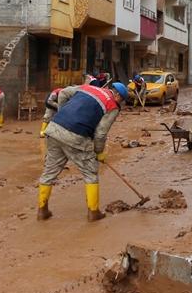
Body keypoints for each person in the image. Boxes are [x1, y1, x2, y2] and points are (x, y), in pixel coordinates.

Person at [37, 81, 128, 221]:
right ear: (117, 96)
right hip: (76, 136)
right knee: (90, 173)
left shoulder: (87, 87)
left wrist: (62, 113)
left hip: (54, 129)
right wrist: (99, 152)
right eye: (122, 100)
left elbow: (62, 93)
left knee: (50, 171)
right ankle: (94, 212)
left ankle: (42, 211)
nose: (121, 103)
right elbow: (100, 133)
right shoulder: (113, 106)